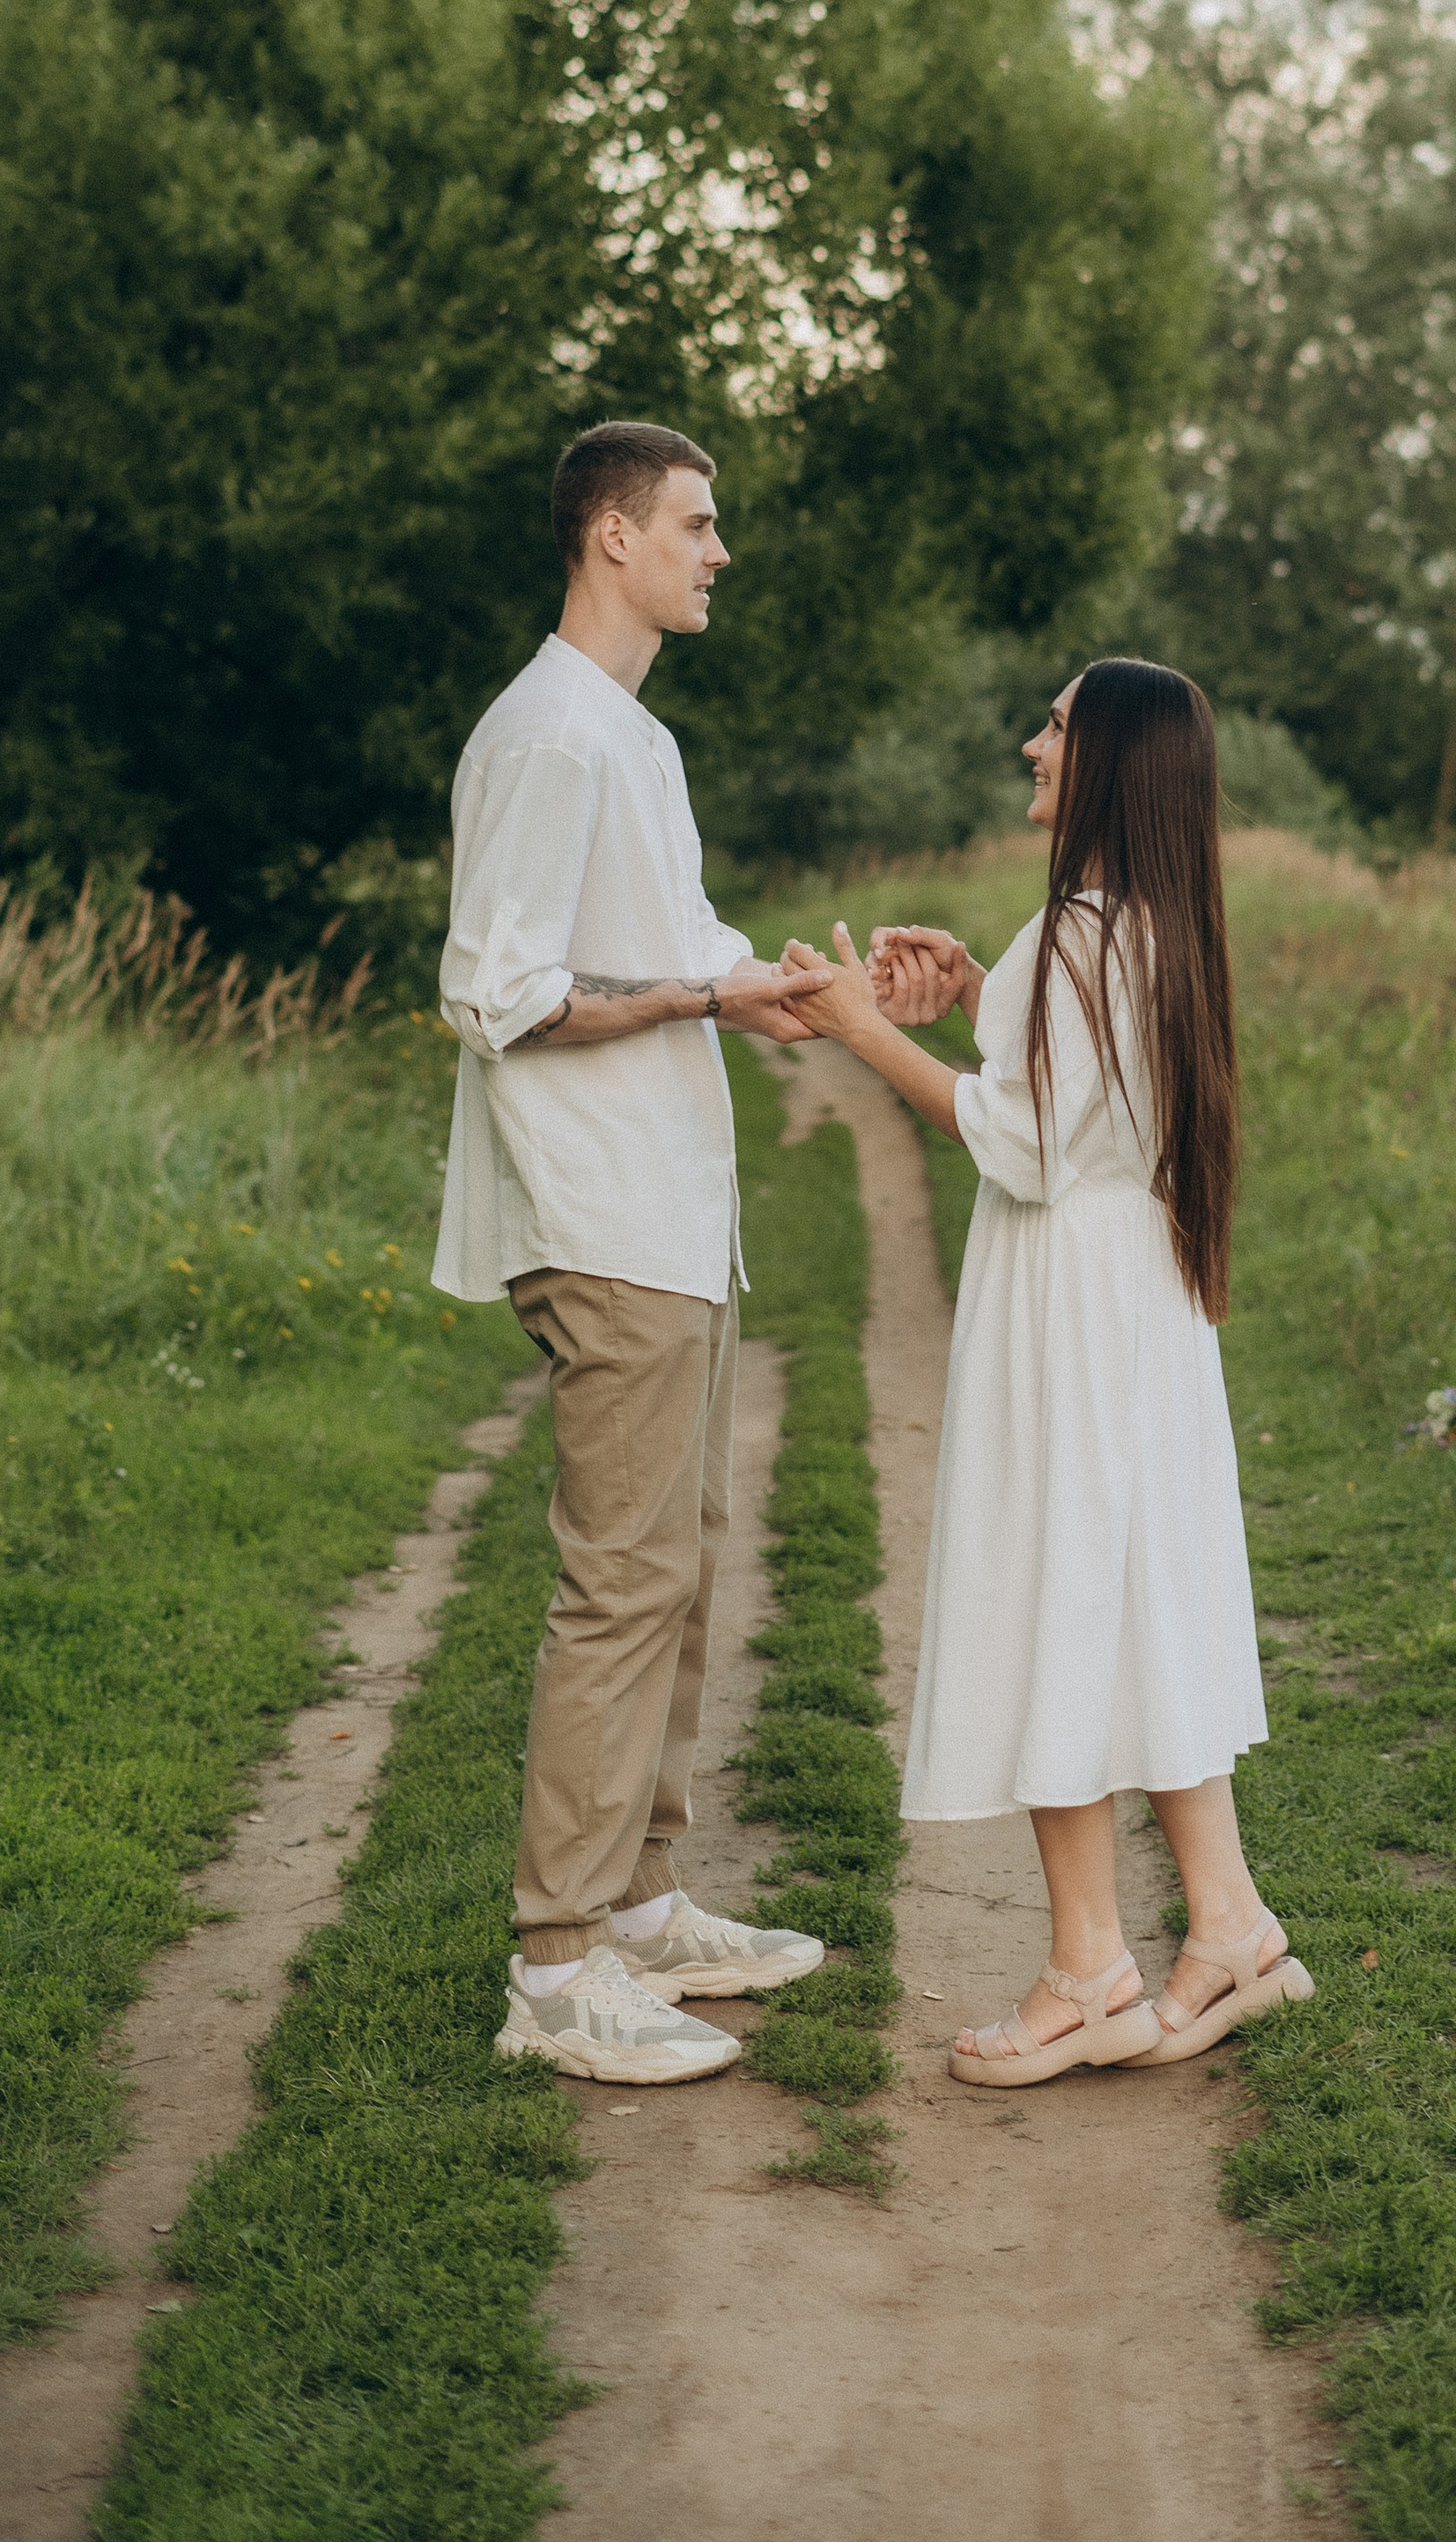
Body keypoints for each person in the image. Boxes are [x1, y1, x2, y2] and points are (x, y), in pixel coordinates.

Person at [782, 658, 1315, 2085]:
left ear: (1114, 765)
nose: (1032, 742)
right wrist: (978, 998)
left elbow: (1017, 1141)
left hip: (1069, 1309)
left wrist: (860, 1027)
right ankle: (1230, 1926)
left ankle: (1089, 1970)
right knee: (1131, 1591)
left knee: (1053, 1591)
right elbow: (1076, 1101)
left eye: (1060, 727)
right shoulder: (1143, 928)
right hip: (1134, 1297)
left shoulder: (1078, 937)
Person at [433, 419, 839, 2086]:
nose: (716, 550)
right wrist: (700, 998)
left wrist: (810, 986)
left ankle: (646, 1905)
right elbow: (497, 993)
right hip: (599, 1216)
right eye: (695, 522)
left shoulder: (633, 741)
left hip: (678, 1218)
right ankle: (554, 1969)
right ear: (611, 535)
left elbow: (681, 948)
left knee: (680, 1565)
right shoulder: (547, 739)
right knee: (619, 1584)